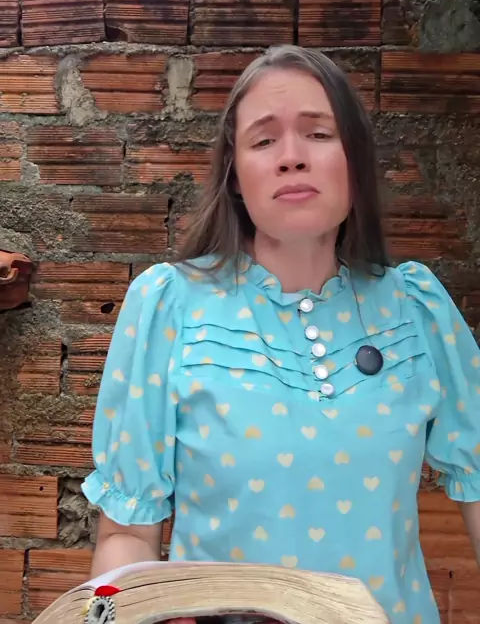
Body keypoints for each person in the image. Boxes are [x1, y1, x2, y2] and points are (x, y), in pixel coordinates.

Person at [82, 45, 480, 623]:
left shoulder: (416, 307)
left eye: (318, 133)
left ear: (355, 159)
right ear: (235, 174)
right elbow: (127, 535)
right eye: (264, 140)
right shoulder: (169, 307)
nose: (292, 158)